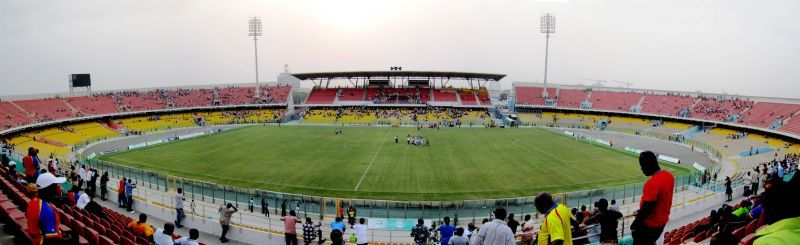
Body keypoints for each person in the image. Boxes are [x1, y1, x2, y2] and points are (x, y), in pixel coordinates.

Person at [631, 151, 674, 245]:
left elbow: (647, 208)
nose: (641, 169)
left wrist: (634, 225)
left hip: (650, 226)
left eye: (642, 165)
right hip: (661, 223)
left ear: (648, 165)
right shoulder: (669, 176)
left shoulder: (652, 183)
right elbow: (660, 200)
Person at [26, 172, 67, 243]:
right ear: (49, 189)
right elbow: (51, 241)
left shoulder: (34, 201)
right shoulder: (46, 211)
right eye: (55, 185)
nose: (57, 188)